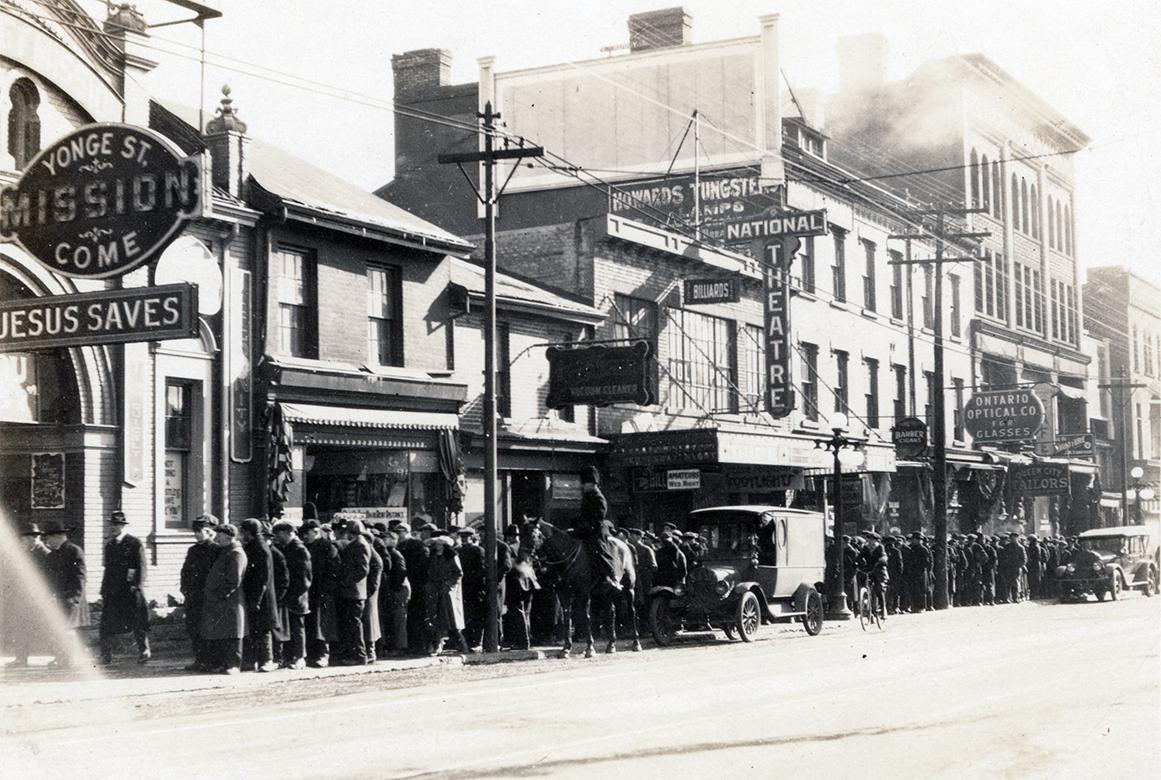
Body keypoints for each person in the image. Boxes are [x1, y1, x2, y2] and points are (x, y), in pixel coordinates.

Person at [99, 510, 151, 665]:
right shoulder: (110, 545)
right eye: (112, 524)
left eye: (117, 525)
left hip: (130, 590)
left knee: (138, 621)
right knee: (106, 623)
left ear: (123, 526)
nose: (113, 528)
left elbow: (141, 566)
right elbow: (108, 570)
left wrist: (137, 586)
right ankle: (105, 655)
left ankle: (144, 650)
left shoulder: (134, 543)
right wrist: (104, 590)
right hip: (114, 591)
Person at [201, 524, 247, 675]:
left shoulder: (236, 553)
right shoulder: (225, 551)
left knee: (233, 632)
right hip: (221, 600)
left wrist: (220, 595)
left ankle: (234, 664)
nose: (217, 538)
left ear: (228, 536)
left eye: (219, 536)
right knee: (223, 631)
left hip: (230, 600)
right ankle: (223, 663)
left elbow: (234, 580)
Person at [43, 520, 88, 668]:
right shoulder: (51, 556)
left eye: (48, 537)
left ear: (57, 536)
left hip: (71, 599)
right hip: (58, 599)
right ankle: (61, 658)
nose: (47, 541)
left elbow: (80, 577)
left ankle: (70, 658)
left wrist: (74, 598)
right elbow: (49, 579)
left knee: (68, 630)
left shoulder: (74, 551)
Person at [180, 515, 220, 671]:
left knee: (208, 628)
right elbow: (185, 571)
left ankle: (211, 661)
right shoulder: (193, 550)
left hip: (208, 596)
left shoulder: (216, 550)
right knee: (194, 627)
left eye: (199, 531)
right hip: (193, 596)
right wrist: (184, 589)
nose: (196, 534)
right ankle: (200, 659)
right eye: (195, 531)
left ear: (210, 531)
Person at [240, 518, 280, 672]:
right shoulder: (252, 546)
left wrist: (256, 599)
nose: (242, 535)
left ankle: (267, 660)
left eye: (243, 532)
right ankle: (251, 661)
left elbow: (263, 577)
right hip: (254, 595)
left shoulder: (261, 548)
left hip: (262, 597)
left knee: (263, 629)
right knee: (253, 629)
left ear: (249, 533)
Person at [6, 523, 49, 668]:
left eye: (35, 537)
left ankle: (62, 657)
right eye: (29, 538)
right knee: (20, 628)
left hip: (38, 599)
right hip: (22, 599)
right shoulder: (23, 552)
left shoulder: (44, 553)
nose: (33, 540)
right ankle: (21, 659)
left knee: (47, 628)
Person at [272, 521, 312, 670]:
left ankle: (299, 657)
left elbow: (304, 579)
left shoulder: (300, 550)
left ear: (289, 533)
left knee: (297, 628)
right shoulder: (286, 548)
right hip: (288, 597)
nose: (277, 537)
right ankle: (289, 657)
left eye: (279, 534)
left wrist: (291, 596)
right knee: (288, 629)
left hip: (297, 598)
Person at [425, 531, 470, 655]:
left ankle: (462, 645)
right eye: (436, 544)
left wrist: (448, 585)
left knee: (451, 620)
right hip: (435, 589)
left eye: (440, 544)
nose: (437, 546)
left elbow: (458, 573)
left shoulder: (451, 556)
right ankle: (436, 645)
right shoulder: (433, 557)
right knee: (435, 620)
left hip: (447, 592)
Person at [302, 518, 339, 667]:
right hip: (310, 591)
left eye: (308, 533)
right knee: (311, 624)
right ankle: (312, 655)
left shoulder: (327, 546)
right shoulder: (307, 546)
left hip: (322, 592)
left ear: (316, 532)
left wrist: (327, 589)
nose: (305, 536)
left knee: (322, 625)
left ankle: (323, 654)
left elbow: (334, 570)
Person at [574, 466, 618, 591]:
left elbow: (596, 520)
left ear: (593, 483)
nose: (583, 486)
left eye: (585, 483)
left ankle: (609, 577)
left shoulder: (599, 498)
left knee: (598, 550)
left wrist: (582, 530)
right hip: (584, 530)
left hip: (595, 531)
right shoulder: (587, 496)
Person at [335, 518, 371, 665]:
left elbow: (363, 570)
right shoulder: (357, 544)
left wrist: (345, 581)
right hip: (352, 591)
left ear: (353, 533)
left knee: (354, 625)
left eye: (347, 532)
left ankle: (360, 655)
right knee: (352, 624)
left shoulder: (360, 545)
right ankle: (355, 654)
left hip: (354, 592)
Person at [504, 526, 539, 651]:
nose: (509, 538)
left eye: (510, 536)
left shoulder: (512, 548)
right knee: (525, 613)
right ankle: (525, 640)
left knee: (517, 611)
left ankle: (523, 641)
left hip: (517, 582)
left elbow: (512, 565)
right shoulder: (525, 547)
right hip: (528, 582)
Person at [397, 521, 430, 655]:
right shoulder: (402, 545)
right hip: (411, 584)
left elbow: (423, 564)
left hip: (416, 584)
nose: (399, 534)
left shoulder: (416, 544)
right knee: (411, 617)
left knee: (416, 616)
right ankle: (414, 645)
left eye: (400, 532)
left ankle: (419, 645)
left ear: (406, 531)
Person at [382, 525, 409, 655]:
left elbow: (401, 572)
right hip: (393, 589)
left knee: (397, 620)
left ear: (393, 540)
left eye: (387, 538)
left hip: (397, 590)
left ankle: (399, 647)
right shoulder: (390, 553)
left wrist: (395, 588)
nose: (384, 540)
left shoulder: (395, 554)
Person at [457, 527, 485, 651]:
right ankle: (468, 642)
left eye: (466, 536)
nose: (464, 539)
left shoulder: (477, 550)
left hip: (473, 587)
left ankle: (475, 642)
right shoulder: (458, 550)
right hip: (464, 586)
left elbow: (481, 570)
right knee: (466, 615)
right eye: (462, 537)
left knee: (475, 615)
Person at [361, 526, 384, 663]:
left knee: (369, 623)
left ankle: (371, 652)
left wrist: (368, 592)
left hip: (369, 595)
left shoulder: (374, 557)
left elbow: (374, 581)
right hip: (369, 594)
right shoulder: (372, 554)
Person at [855, 530, 889, 615]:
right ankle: (866, 604)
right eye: (869, 539)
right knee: (865, 585)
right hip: (869, 570)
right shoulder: (866, 548)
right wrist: (856, 563)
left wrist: (882, 560)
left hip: (879, 570)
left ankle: (883, 608)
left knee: (878, 589)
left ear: (876, 540)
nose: (870, 541)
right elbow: (860, 556)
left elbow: (883, 556)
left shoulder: (880, 547)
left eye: (872, 539)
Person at [628, 528, 656, 608]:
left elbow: (654, 566)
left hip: (642, 579)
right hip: (638, 578)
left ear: (638, 537)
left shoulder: (646, 549)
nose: (629, 537)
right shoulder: (629, 548)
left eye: (632, 535)